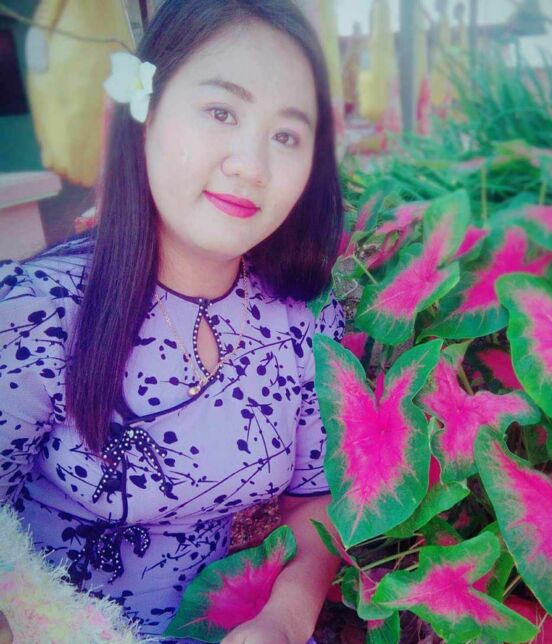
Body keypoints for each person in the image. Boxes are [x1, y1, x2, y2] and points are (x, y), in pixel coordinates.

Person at [0, 0, 345, 641]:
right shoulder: (39, 315)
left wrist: (284, 619)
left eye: (287, 135)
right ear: (144, 115)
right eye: (221, 111)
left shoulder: (302, 324)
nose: (251, 165)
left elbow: (314, 499)